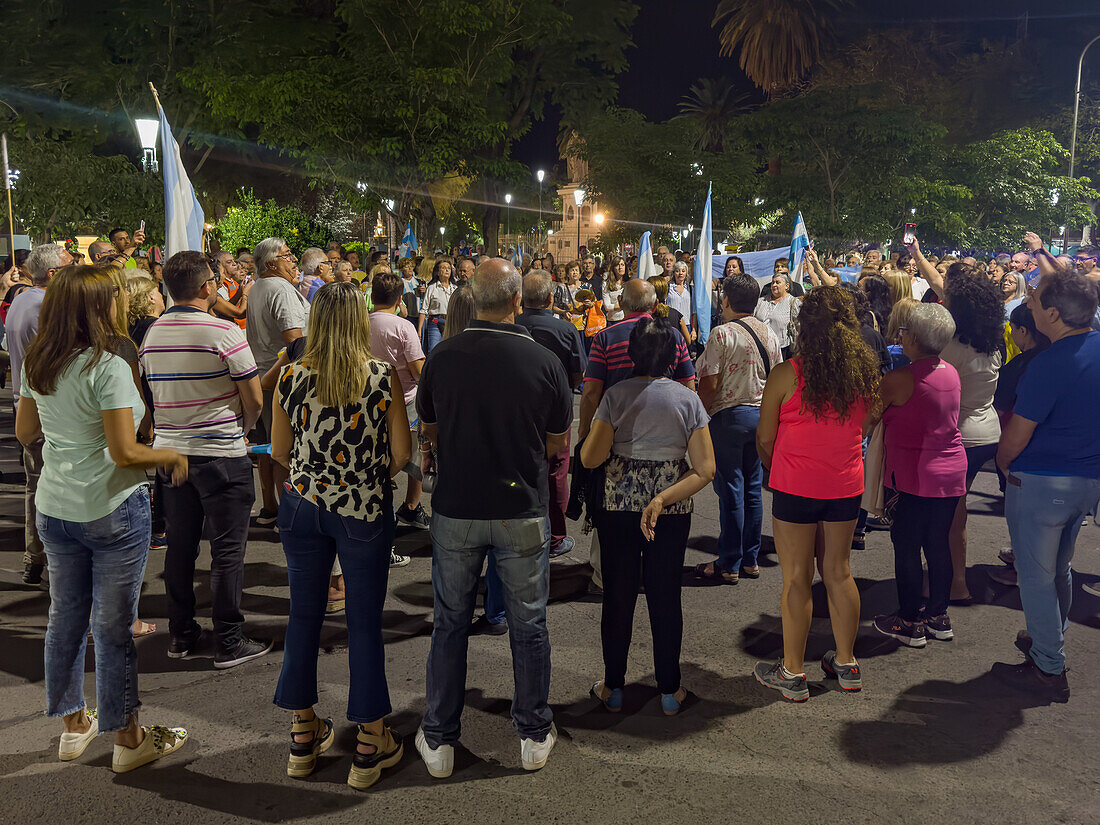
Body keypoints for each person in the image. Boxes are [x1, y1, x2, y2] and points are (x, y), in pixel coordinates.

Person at [15, 264, 190, 772]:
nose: (120, 303)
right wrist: (171, 457)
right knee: (112, 628)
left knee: (65, 617)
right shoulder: (107, 366)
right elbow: (124, 452)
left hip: (55, 506)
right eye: (113, 297)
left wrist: (70, 445)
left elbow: (27, 432)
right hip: (112, 508)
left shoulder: (38, 363)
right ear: (96, 307)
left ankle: (73, 724)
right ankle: (129, 738)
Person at [415, 258, 571, 778]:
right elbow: (556, 444)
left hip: (457, 506)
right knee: (529, 623)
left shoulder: (441, 357)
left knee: (449, 623)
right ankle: (532, 731)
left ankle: (438, 738)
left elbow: (430, 429)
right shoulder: (542, 361)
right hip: (520, 507)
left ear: (472, 299)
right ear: (515, 302)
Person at [271, 282, 410, 788]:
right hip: (362, 508)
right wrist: (363, 476)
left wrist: (317, 480)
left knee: (303, 615)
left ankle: (304, 733)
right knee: (363, 621)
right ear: (356, 320)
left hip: (302, 506)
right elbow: (401, 453)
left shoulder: (290, 375)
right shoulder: (379, 378)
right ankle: (371, 740)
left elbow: (280, 451)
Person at [139, 251, 270, 667]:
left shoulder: (152, 335)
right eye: (213, 278)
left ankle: (181, 633)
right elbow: (253, 398)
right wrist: (244, 428)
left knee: (180, 548)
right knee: (228, 551)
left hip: (172, 454)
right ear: (205, 287)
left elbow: (150, 398)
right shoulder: (224, 332)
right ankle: (229, 641)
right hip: (220, 454)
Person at [581, 316, 715, 716]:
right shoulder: (687, 400)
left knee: (618, 595)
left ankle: (613, 687)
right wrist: (662, 498)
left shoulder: (617, 396)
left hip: (617, 506)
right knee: (665, 596)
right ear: (674, 355)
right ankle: (670, 691)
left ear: (632, 353)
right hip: (671, 509)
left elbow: (590, 457)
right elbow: (705, 469)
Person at [753, 286, 879, 700]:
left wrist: (779, 465)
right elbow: (863, 428)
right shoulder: (863, 376)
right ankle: (846, 662)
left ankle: (792, 672)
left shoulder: (787, 373)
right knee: (839, 571)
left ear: (805, 325)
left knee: (797, 578)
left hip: (794, 485)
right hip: (844, 486)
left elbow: (766, 439)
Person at [992, 267, 1100, 701]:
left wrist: (1003, 464)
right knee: (1060, 567)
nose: (1029, 304)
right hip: (1086, 481)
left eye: (1035, 301)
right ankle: (1049, 639)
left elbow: (1016, 438)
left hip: (1041, 482)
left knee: (1035, 577)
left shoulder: (1048, 363)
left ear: (1053, 315)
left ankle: (1048, 666)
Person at [578, 279, 696, 591]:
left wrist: (585, 429)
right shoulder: (671, 336)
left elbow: (591, 391)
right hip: (663, 435)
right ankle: (653, 571)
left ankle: (607, 575)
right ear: (654, 306)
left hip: (613, 433)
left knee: (611, 504)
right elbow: (687, 382)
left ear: (624, 304)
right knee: (662, 505)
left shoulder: (605, 338)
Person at [864, 304, 967, 647]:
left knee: (906, 544)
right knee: (938, 543)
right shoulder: (950, 372)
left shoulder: (899, 379)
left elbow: (867, 421)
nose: (901, 335)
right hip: (951, 472)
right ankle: (938, 615)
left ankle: (909, 620)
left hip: (914, 475)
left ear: (917, 339)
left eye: (905, 331)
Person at [908, 241, 1003, 602]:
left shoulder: (951, 347)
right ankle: (955, 581)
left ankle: (951, 584)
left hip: (956, 438)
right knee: (956, 515)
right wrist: (918, 254)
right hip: (986, 433)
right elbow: (939, 284)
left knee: (947, 519)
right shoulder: (993, 343)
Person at [694, 273, 782, 584]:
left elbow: (709, 384)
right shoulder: (769, 334)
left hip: (728, 419)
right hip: (761, 418)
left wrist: (698, 418)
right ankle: (750, 559)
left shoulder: (722, 334)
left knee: (731, 489)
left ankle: (728, 561)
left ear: (727, 300)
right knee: (753, 489)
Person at [8, 244, 74, 584]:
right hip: (46, 409)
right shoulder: (44, 306)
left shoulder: (22, 299)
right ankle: (51, 562)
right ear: (53, 275)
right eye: (69, 265)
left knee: (37, 487)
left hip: (29, 405)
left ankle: (35, 558)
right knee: (55, 490)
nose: (74, 269)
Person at [516, 271, 587, 557]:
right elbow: (578, 373)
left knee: (521, 465)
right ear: (549, 298)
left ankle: (522, 529)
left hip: (519, 407)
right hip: (557, 407)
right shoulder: (566, 330)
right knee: (557, 469)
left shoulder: (511, 324)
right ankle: (556, 536)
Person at [245, 238, 309, 527]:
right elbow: (295, 341)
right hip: (282, 379)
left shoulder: (258, 287)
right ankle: (287, 512)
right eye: (288, 255)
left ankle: (269, 506)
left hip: (261, 375)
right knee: (283, 449)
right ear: (271, 263)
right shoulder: (280, 289)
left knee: (267, 447)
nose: (293, 260)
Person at [369, 271, 429, 530]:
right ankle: (411, 507)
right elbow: (418, 369)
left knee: (376, 455)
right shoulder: (403, 327)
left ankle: (380, 504)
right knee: (414, 457)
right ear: (398, 299)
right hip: (405, 400)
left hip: (369, 400)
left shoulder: (360, 322)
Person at [754, 270, 800, 359]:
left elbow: (799, 328)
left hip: (782, 351)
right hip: (760, 349)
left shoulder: (794, 303)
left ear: (787, 286)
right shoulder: (761, 301)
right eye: (773, 283)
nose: (774, 285)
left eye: (778, 282)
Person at [418, 258, 456, 353]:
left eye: (449, 268)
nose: (447, 270)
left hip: (451, 323)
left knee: (450, 350)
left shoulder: (455, 288)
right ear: (438, 272)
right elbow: (424, 310)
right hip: (435, 322)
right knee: (433, 350)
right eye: (443, 268)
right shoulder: (431, 288)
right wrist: (419, 330)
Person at [666, 261, 694, 342]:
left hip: (687, 324)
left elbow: (694, 310)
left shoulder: (690, 289)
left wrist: (694, 329)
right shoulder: (668, 287)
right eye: (677, 271)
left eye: (683, 271)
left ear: (686, 273)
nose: (680, 273)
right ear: (674, 273)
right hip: (671, 324)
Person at [602, 256, 626, 324]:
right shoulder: (606, 283)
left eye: (622, 265)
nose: (620, 267)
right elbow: (607, 306)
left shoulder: (629, 282)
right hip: (613, 321)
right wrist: (623, 306)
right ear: (613, 268)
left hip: (626, 319)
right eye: (617, 265)